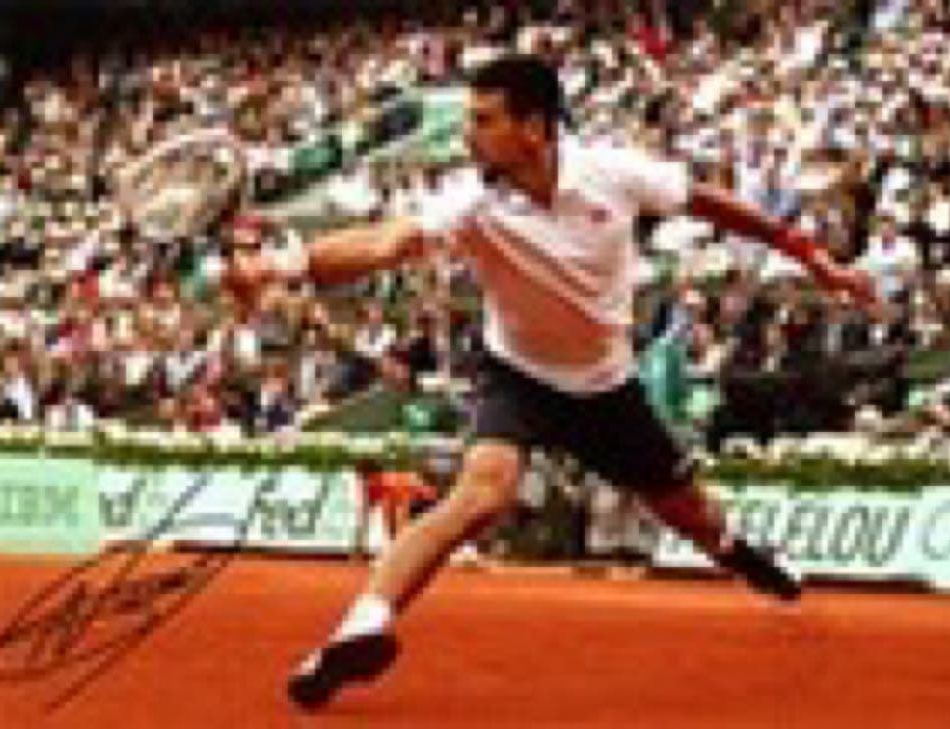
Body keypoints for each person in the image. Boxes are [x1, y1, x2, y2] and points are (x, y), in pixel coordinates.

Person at [285, 56, 877, 710]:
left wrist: (807, 254)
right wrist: (289, 264)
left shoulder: (612, 173)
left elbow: (706, 200)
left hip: (605, 387)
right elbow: (385, 243)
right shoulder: (470, 199)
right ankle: (360, 625)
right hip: (517, 375)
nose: (468, 136)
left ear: (534, 127)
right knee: (479, 496)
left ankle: (737, 550)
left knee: (689, 513)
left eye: (484, 121)